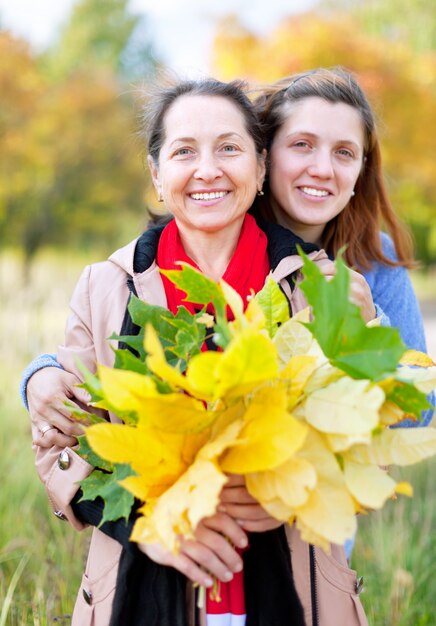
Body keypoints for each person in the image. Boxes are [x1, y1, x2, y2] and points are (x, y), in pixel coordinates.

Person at [23, 77, 369, 626]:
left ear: (260, 170)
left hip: (292, 592)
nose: (207, 169)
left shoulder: (324, 288)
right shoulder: (106, 287)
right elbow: (62, 447)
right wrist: (148, 521)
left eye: (228, 148)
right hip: (142, 590)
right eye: (184, 151)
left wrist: (283, 487)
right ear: (157, 175)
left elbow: (360, 436)